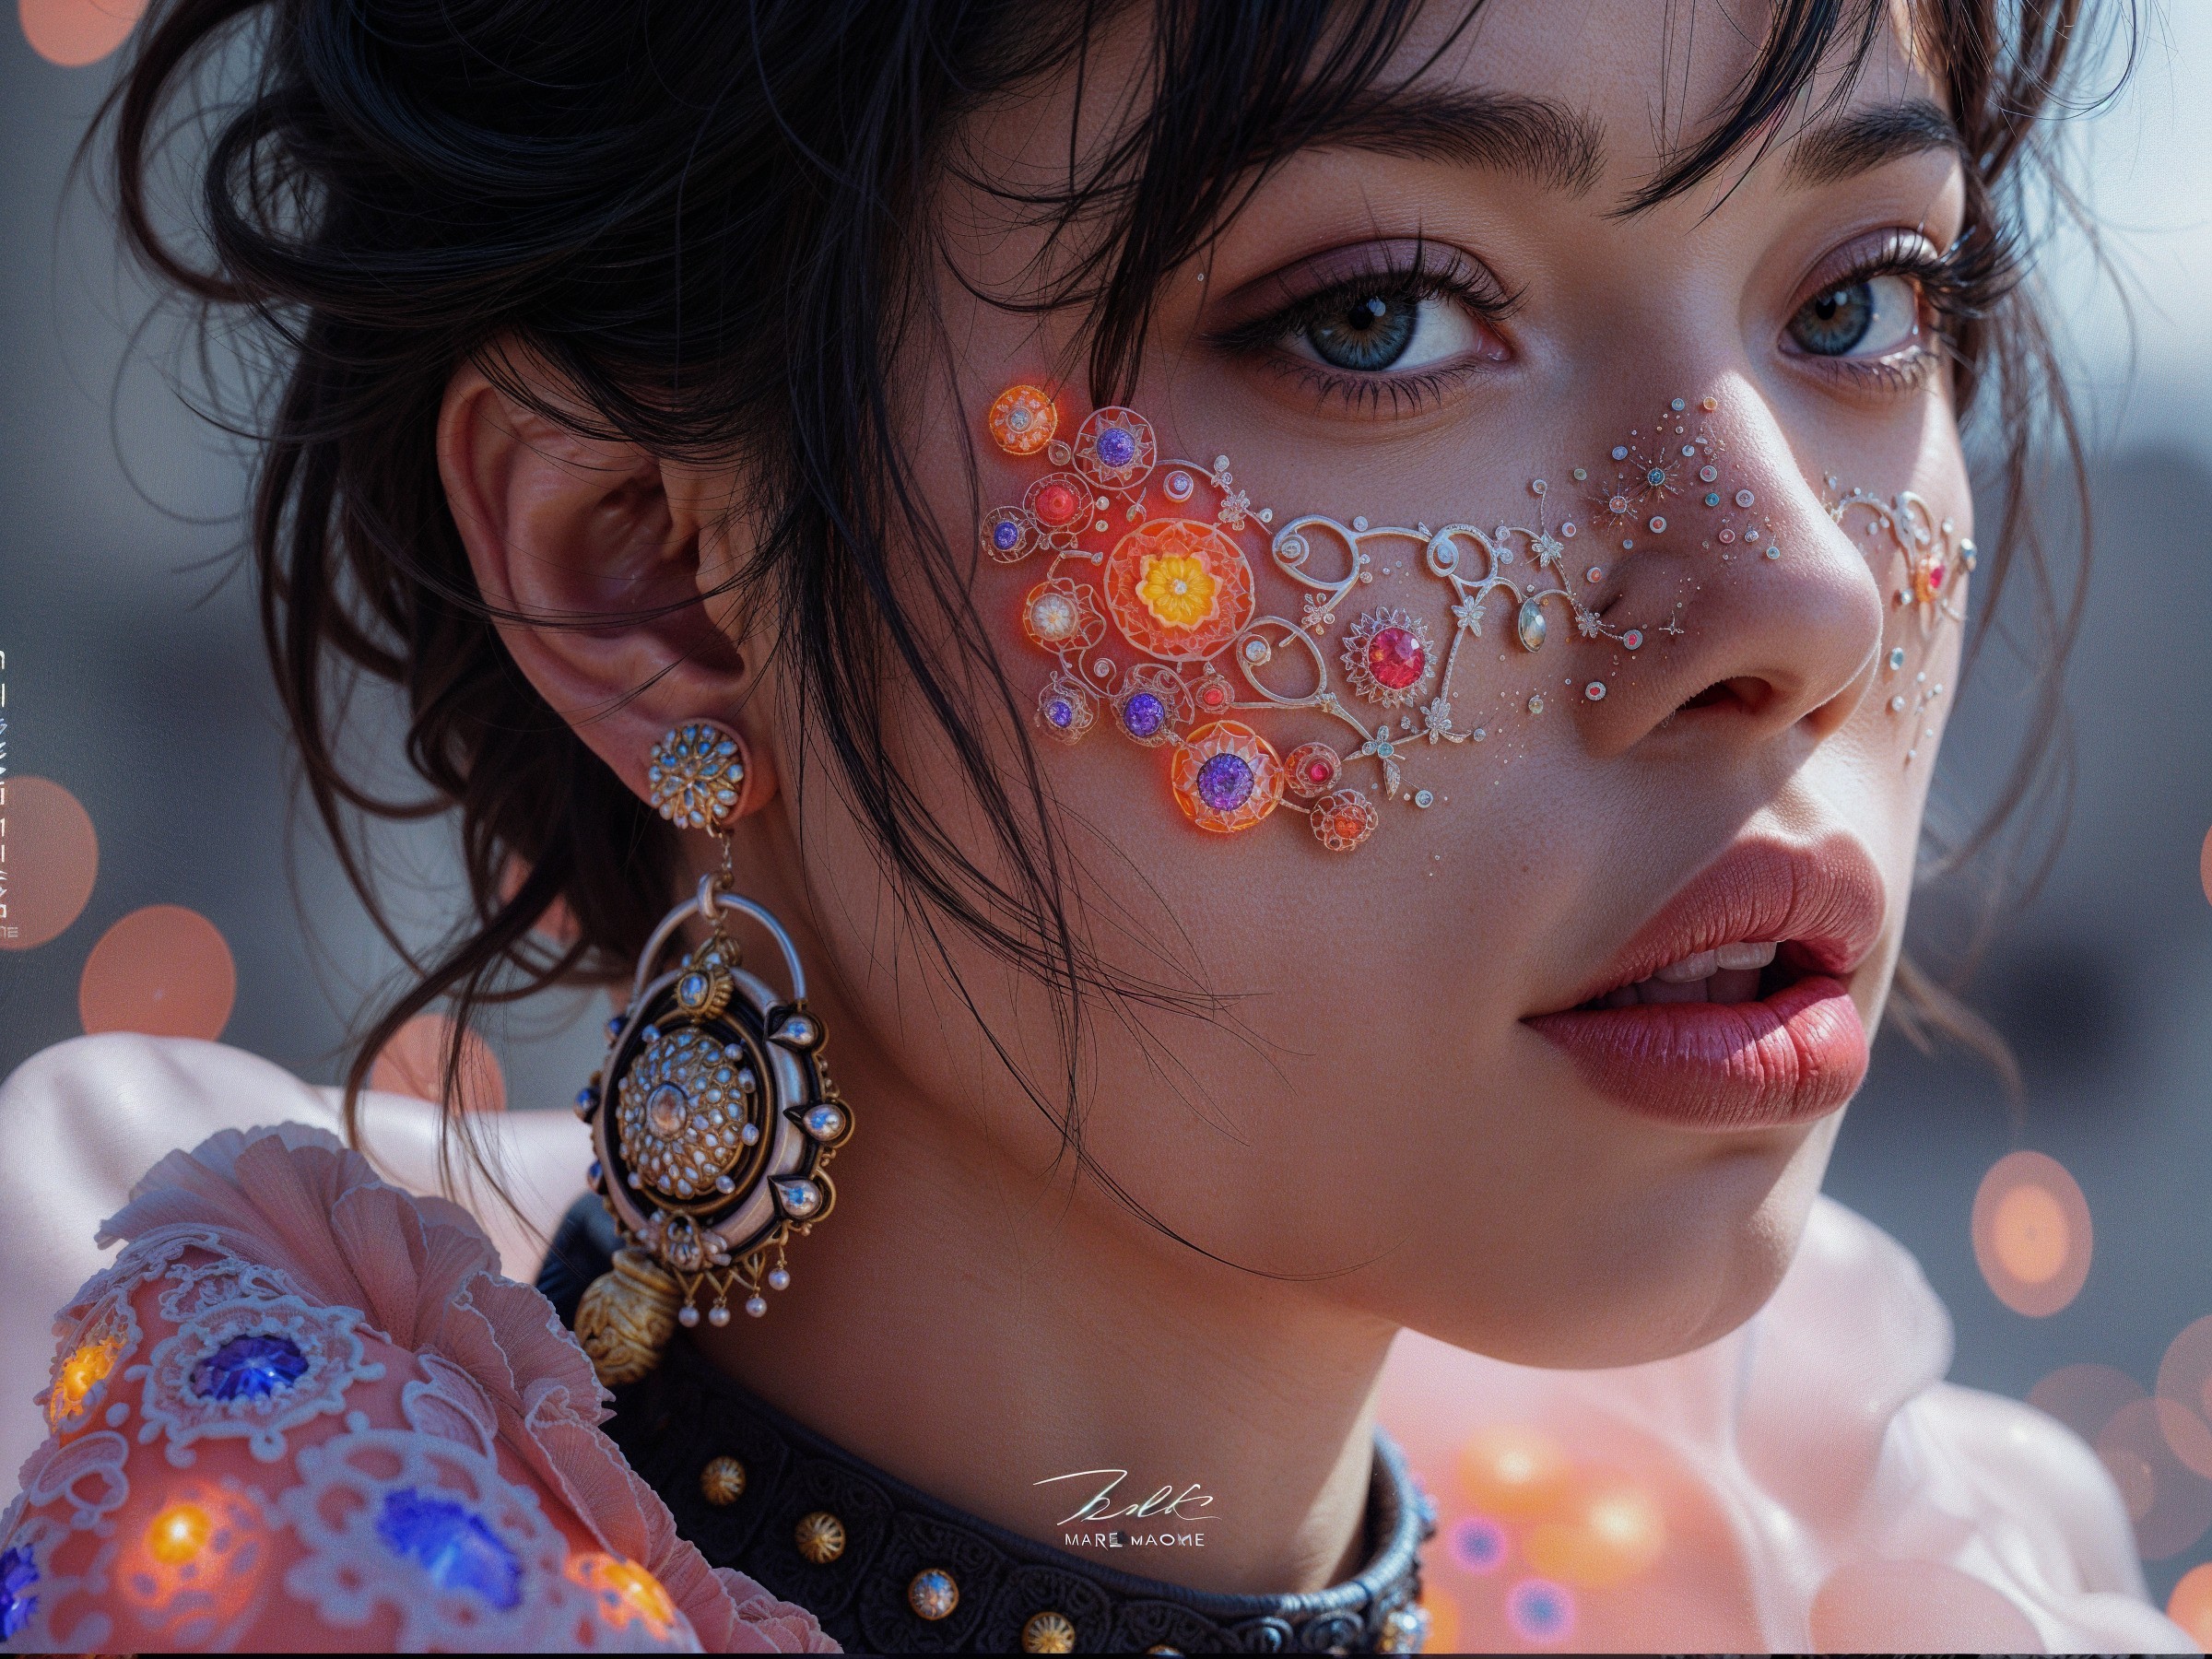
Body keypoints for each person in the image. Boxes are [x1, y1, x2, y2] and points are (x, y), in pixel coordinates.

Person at [0, 0, 2187, 1651]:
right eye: (1381, 315)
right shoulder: (258, 1565)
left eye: (1861, 300)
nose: (1795, 592)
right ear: (650, 568)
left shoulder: (1814, 1580)